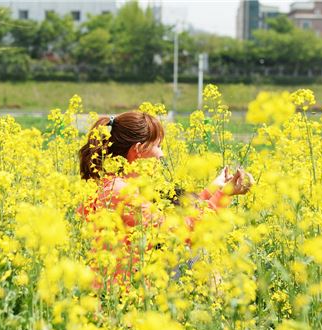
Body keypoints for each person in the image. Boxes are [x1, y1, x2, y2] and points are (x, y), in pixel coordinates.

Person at [77, 110, 253, 284]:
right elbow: (179, 232)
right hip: (125, 295)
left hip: (128, 288)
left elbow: (173, 220)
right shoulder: (121, 192)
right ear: (138, 149)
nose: (162, 154)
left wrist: (214, 189)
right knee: (198, 254)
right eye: (158, 146)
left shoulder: (113, 185)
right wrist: (224, 195)